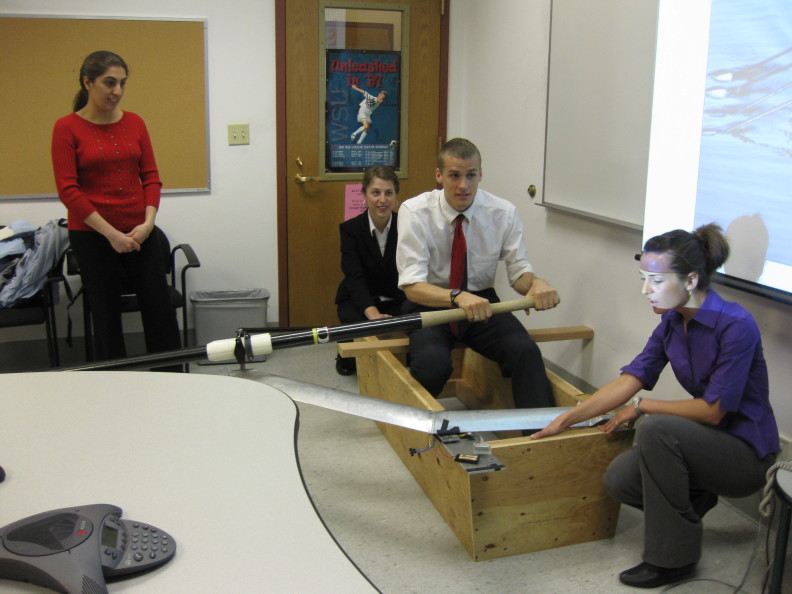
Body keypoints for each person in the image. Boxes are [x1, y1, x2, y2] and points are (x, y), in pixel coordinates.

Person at [531, 223, 779, 589]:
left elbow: (713, 411)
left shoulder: (735, 325)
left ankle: (673, 560)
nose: (646, 290)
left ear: (691, 280)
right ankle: (695, 499)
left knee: (657, 429)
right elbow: (630, 380)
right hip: (704, 443)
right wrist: (565, 420)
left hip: (746, 456)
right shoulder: (671, 323)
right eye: (644, 278)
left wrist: (644, 406)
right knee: (621, 480)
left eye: (657, 280)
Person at [396, 138, 559, 408]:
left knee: (526, 352)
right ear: (439, 176)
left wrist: (537, 284)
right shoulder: (414, 212)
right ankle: (413, 429)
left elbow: (519, 273)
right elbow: (412, 285)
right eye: (454, 175)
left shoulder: (503, 212)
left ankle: (540, 436)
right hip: (430, 303)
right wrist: (457, 296)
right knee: (432, 365)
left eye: (471, 175)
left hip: (481, 303)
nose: (463, 185)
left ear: (480, 174)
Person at [51, 51, 181, 366]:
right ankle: (115, 390)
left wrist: (148, 225)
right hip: (94, 237)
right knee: (106, 316)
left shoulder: (135, 122)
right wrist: (111, 235)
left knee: (160, 310)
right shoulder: (66, 128)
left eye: (122, 83)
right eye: (109, 83)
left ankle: (175, 382)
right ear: (87, 82)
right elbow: (69, 190)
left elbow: (151, 177)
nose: (117, 91)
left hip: (140, 231)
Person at [334, 166, 405, 375]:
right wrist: (373, 314)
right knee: (353, 361)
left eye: (388, 193)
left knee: (411, 330)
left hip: (396, 296)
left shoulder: (409, 225)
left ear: (395, 196)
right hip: (360, 298)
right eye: (375, 192)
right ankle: (345, 355)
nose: (382, 200)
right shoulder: (350, 229)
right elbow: (354, 277)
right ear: (364, 194)